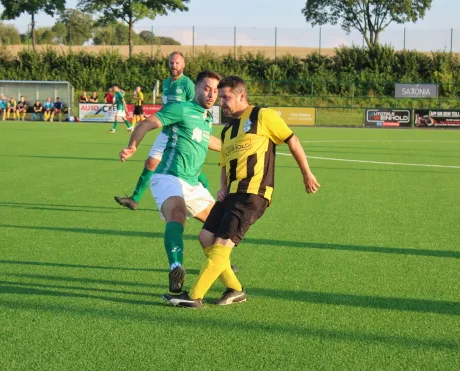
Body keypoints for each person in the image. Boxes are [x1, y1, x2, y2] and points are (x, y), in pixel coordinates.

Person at [163, 75, 320, 308]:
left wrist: (306, 173)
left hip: (253, 193)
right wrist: (223, 188)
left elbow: (292, 140)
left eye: (226, 97)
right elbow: (225, 163)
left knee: (222, 245)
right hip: (232, 194)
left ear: (241, 95)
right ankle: (235, 290)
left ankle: (195, 296)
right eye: (220, 98)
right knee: (205, 236)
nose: (221, 102)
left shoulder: (262, 116)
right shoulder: (227, 131)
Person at [119, 70, 223, 293]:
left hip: (193, 183)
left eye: (215, 90)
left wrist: (232, 149)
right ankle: (176, 267)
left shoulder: (207, 117)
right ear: (195, 89)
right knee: (176, 214)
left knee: (219, 224)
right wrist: (133, 145)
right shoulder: (181, 108)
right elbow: (146, 123)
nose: (212, 94)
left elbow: (206, 140)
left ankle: (220, 265)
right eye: (207, 89)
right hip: (168, 176)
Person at [115, 51, 212, 211]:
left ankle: (209, 195)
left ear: (183, 65)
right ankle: (135, 199)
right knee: (151, 163)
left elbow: (196, 106)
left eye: (177, 63)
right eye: (171, 63)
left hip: (183, 133)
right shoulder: (166, 83)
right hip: (167, 131)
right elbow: (167, 108)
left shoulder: (187, 84)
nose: (174, 66)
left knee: (192, 168)